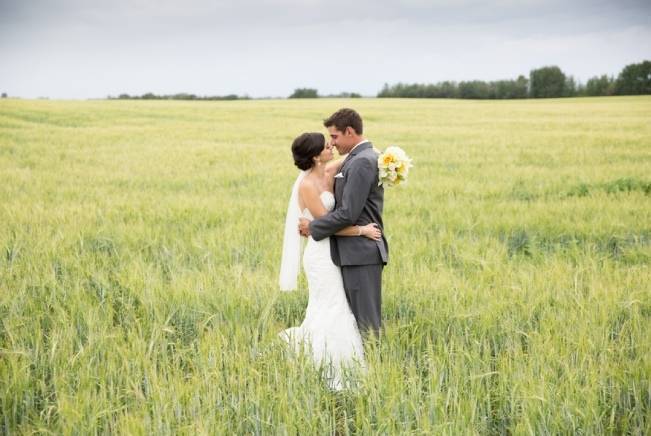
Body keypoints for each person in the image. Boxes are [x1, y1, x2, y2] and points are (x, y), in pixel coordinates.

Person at [279, 132, 381, 390]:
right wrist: (362, 231)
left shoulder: (329, 170)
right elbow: (328, 225)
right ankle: (334, 365)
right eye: (326, 146)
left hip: (335, 250)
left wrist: (387, 160)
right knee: (333, 305)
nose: (332, 146)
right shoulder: (307, 185)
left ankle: (341, 361)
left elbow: (358, 155)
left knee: (337, 304)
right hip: (321, 255)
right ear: (315, 156)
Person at [299, 108, 388, 338]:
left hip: (360, 252)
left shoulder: (361, 162)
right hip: (349, 251)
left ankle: (374, 368)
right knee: (353, 320)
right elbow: (327, 169)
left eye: (335, 137)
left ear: (349, 131)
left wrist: (313, 228)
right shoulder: (359, 157)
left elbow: (348, 213)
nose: (332, 143)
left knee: (366, 322)